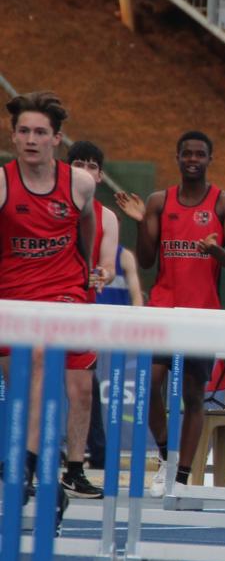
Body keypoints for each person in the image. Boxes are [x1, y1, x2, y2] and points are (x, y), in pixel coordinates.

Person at [115, 131, 225, 497]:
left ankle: (183, 477)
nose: (192, 159)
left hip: (202, 314)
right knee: (149, 381)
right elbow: (144, 260)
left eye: (199, 154)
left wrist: (215, 251)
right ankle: (165, 453)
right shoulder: (160, 201)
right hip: (163, 309)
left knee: (193, 396)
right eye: (186, 153)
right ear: (177, 157)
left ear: (209, 159)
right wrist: (140, 222)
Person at [0, 92, 96, 524]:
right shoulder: (2, 183)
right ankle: (47, 479)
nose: (31, 139)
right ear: (13, 136)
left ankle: (24, 465)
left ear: (57, 139)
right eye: (24, 131)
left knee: (41, 357)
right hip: (12, 295)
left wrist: (87, 269)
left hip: (63, 293)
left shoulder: (79, 183)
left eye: (41, 132)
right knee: (21, 389)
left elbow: (87, 223)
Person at [60, 141, 120, 498]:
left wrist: (104, 273)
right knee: (23, 387)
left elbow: (108, 265)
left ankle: (75, 469)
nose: (84, 170)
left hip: (82, 308)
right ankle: (17, 462)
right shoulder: (51, 205)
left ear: (100, 175)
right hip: (36, 307)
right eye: (77, 163)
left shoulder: (107, 216)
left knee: (81, 392)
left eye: (91, 165)